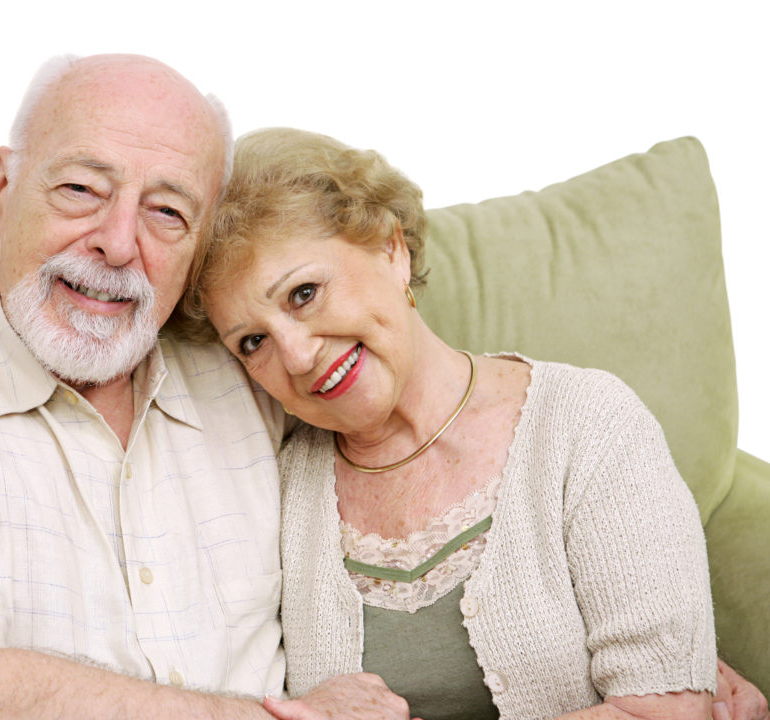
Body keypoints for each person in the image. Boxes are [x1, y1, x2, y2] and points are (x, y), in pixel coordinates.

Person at [0, 56, 410, 720]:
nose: (117, 243)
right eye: (81, 189)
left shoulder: (251, 368)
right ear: (2, 190)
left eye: (167, 211)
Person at [186, 126, 769, 720]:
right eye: (253, 340)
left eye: (304, 293)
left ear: (391, 248)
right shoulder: (270, 486)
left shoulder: (589, 427)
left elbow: (663, 715)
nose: (296, 356)